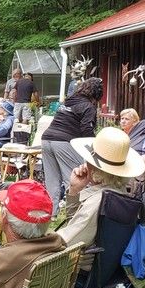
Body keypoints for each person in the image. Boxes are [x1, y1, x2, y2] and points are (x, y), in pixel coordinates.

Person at [55, 126, 145, 270]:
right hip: (104, 273)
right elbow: (76, 225)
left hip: (76, 272)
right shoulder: (122, 195)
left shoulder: (98, 202)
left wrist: (36, 242)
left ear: (92, 166)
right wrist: (74, 190)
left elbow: (66, 242)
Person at [40, 77, 103, 212]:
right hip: (64, 141)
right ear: (96, 95)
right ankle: (75, 213)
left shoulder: (69, 101)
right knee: (74, 178)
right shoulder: (88, 106)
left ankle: (51, 213)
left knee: (52, 180)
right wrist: (95, 148)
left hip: (46, 139)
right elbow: (87, 129)